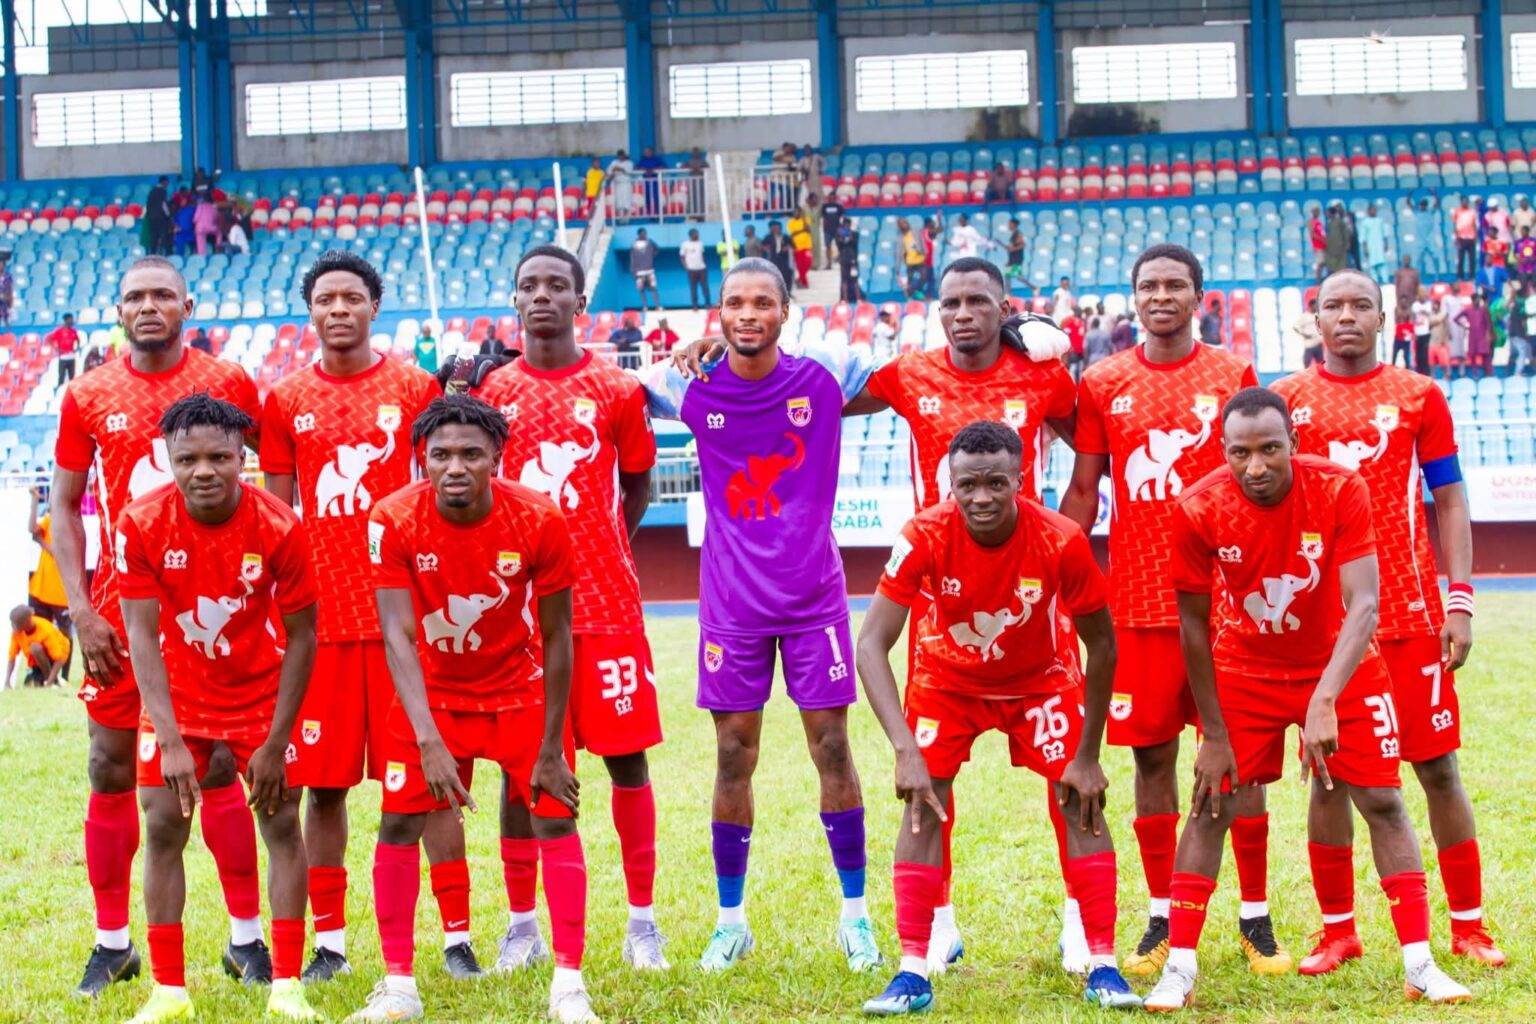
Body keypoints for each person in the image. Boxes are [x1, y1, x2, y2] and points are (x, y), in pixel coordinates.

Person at [1141, 385, 1472, 1011]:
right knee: (1212, 804)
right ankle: (1178, 968)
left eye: (1270, 449)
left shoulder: (1341, 487)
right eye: (1240, 453)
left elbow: (1365, 604)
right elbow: (1192, 625)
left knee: (1383, 800)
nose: (1256, 467)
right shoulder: (1198, 506)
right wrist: (1214, 733)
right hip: (1244, 669)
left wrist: (1324, 698)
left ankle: (1420, 964)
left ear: (1293, 442)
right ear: (1223, 451)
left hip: (1339, 665)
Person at [641, 258, 881, 974]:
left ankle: (856, 918)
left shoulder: (824, 377)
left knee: (832, 749)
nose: (748, 313)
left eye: (762, 302)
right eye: (735, 303)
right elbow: (609, 392)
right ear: (718, 314)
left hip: (813, 601)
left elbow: (908, 380)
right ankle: (731, 923)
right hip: (732, 605)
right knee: (731, 754)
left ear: (785, 312)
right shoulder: (688, 384)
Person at [856, 421, 1141, 1015]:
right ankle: (913, 971)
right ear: (951, 484)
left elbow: (1103, 645)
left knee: (1079, 800)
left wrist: (1088, 755)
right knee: (923, 802)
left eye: (995, 483)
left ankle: (1103, 963)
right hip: (947, 681)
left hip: (1041, 681)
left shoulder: (1061, 539)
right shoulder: (923, 534)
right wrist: (905, 750)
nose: (981, 497)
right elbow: (871, 644)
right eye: (968, 485)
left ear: (1019, 480)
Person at [1057, 245, 1284, 979]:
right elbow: (1085, 489)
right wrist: (1060, 569)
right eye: (1148, 286)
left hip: (1230, 605)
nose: (1161, 296)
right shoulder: (1103, 381)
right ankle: (1160, 915)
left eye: (1175, 285)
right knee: (1151, 758)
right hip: (1140, 602)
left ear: (1198, 295)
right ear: (1133, 298)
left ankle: (1255, 916)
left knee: (1240, 760)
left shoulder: (1232, 373)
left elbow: (1259, 480)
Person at [1274, 268, 1505, 970]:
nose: (1346, 316)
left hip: (1408, 616)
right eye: (1333, 306)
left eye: (1360, 305)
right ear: (1315, 319)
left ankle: (1468, 925)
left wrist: (1458, 600)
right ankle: (1337, 931)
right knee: (1328, 774)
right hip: (1325, 626)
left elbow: (1450, 500)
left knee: (1438, 769)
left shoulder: (1418, 394)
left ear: (1385, 318)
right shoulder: (1288, 399)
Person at [52, 256, 268, 998]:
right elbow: (66, 506)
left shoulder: (229, 381)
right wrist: (81, 610)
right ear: (119, 310)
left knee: (218, 766)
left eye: (162, 296)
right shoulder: (87, 393)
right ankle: (113, 945)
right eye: (135, 297)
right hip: (120, 614)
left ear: (187, 305)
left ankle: (247, 939)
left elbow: (272, 479)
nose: (149, 307)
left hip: (212, 610)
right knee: (109, 766)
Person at [348, 394, 592, 1024]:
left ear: (497, 458)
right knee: (398, 824)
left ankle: (569, 985)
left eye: (470, 454)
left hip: (519, 689)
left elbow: (559, 635)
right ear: (421, 459)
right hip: (432, 696)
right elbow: (397, 633)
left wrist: (550, 746)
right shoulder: (391, 517)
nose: (454, 467)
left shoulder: (539, 518)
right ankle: (398, 986)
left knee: (554, 821)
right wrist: (427, 739)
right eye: (441, 455)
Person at [470, 246, 668, 973]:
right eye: (529, 286)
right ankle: (523, 926)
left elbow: (636, 486)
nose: (543, 296)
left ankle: (642, 923)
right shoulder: (493, 390)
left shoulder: (617, 387)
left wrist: (599, 548)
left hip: (605, 606)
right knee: (519, 768)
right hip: (518, 617)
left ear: (581, 302)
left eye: (558, 286)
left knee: (626, 760)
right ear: (514, 300)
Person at [260, 250, 445, 983]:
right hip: (323, 625)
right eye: (325, 299)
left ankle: (456, 938)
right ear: (311, 312)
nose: (338, 309)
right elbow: (277, 516)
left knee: (428, 783)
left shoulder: (415, 387)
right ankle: (331, 946)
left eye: (351, 297)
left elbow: (437, 493)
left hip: (404, 619)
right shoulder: (285, 398)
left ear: (375, 306)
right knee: (324, 788)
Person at [116, 394, 320, 1024]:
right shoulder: (140, 523)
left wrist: (275, 741)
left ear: (240, 458)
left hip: (261, 695)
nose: (203, 471)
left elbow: (304, 637)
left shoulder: (280, 525)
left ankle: (287, 984)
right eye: (187, 460)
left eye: (218, 458)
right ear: (168, 460)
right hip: (177, 697)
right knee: (162, 825)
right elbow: (141, 635)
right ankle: (169, 990)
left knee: (281, 824)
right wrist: (170, 739)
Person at [28, 485, 72, 672]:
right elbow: (32, 530)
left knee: (65, 632)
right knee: (41, 631)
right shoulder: (49, 519)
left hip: (62, 590)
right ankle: (42, 673)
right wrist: (34, 501)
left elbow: (64, 553)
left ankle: (64, 674)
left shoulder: (71, 521)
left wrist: (43, 543)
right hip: (42, 587)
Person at [7, 604, 70, 687]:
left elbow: (59, 659)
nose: (14, 627)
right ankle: (47, 678)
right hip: (37, 660)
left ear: (27, 621)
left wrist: (49, 683)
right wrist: (7, 682)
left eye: (17, 624)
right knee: (32, 685)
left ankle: (52, 681)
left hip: (57, 655)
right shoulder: (17, 632)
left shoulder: (45, 629)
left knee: (35, 648)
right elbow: (12, 657)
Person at [1456, 292, 1494, 379]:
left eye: (1479, 300)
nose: (1478, 301)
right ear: (1473, 300)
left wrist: (1488, 334)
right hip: (1473, 336)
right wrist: (1464, 326)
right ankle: (1476, 374)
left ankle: (1488, 374)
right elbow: (1456, 318)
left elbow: (1488, 323)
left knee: (1486, 355)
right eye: (1476, 299)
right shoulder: (1468, 310)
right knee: (1473, 355)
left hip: (1482, 336)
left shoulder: (1483, 310)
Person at [629, 229, 661, 312]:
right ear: (639, 235)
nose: (645, 235)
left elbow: (657, 249)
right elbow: (632, 259)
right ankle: (645, 306)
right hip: (639, 272)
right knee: (641, 290)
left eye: (645, 234)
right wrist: (633, 271)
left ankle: (657, 306)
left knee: (654, 288)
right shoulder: (633, 245)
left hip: (650, 271)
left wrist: (651, 256)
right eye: (643, 234)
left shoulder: (649, 243)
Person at [1358, 203, 1390, 282]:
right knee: (1372, 266)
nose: (1374, 211)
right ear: (1368, 211)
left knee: (1382, 264)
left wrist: (1386, 244)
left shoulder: (1380, 220)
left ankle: (1385, 281)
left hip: (1380, 246)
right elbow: (1363, 237)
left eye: (1375, 210)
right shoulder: (1365, 222)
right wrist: (1365, 248)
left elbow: (1385, 233)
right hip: (1370, 247)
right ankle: (1375, 282)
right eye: (1372, 210)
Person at [899, 219, 929, 300]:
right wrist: (901, 263)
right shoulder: (901, 237)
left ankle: (917, 291)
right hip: (909, 262)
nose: (904, 225)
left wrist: (925, 252)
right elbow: (901, 252)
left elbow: (922, 243)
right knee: (909, 279)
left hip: (920, 260)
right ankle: (909, 297)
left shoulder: (915, 233)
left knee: (924, 277)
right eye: (902, 224)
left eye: (905, 223)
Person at [681, 228, 710, 310]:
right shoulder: (685, 244)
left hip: (702, 268)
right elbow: (682, 257)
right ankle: (695, 305)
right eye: (696, 234)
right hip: (691, 269)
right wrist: (686, 267)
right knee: (693, 288)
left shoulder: (700, 243)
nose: (698, 235)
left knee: (705, 287)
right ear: (691, 235)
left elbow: (702, 255)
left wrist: (704, 264)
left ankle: (708, 304)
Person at [49, 312, 81, 387]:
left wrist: (76, 348)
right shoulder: (59, 331)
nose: (72, 321)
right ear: (66, 320)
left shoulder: (73, 331)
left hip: (71, 357)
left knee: (72, 378)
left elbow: (78, 340)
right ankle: (60, 390)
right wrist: (57, 349)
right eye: (71, 319)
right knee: (61, 377)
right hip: (63, 357)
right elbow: (50, 340)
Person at [764, 221, 795, 297]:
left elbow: (793, 246)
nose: (776, 230)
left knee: (787, 276)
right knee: (774, 277)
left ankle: (788, 292)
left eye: (777, 228)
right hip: (773, 260)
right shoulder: (768, 237)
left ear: (780, 228)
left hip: (785, 260)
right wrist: (767, 249)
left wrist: (787, 247)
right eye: (774, 228)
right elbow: (763, 246)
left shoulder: (785, 237)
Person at [787, 208, 814, 287]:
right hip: (797, 247)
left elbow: (808, 230)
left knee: (808, 263)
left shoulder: (806, 219)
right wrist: (803, 229)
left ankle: (799, 279)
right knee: (800, 266)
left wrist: (804, 220)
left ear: (801, 213)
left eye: (797, 212)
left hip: (807, 246)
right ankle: (804, 283)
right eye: (794, 212)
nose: (796, 213)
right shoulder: (791, 222)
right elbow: (793, 234)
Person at [1454, 197, 1479, 280]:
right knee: (1461, 259)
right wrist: (1456, 237)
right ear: (1461, 202)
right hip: (1461, 238)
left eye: (1466, 202)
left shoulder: (1472, 211)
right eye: (1463, 201)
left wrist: (1476, 236)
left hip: (1471, 238)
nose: (1465, 203)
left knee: (1472, 259)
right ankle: (1460, 277)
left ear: (1468, 202)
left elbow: (1474, 224)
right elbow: (1455, 224)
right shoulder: (1457, 211)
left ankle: (1471, 277)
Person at [636, 147, 665, 218]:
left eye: (648, 152)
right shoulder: (642, 160)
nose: (646, 153)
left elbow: (664, 167)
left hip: (655, 182)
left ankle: (658, 214)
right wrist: (643, 169)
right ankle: (650, 215)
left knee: (656, 198)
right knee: (647, 199)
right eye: (645, 152)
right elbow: (636, 168)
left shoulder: (657, 159)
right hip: (646, 182)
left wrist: (653, 170)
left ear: (652, 152)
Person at [838, 222, 862, 304]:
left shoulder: (855, 234)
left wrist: (850, 236)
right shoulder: (840, 235)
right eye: (844, 226)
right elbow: (839, 245)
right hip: (844, 260)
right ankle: (845, 299)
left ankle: (858, 298)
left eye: (847, 226)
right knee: (844, 280)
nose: (846, 227)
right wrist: (841, 236)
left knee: (855, 280)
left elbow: (855, 244)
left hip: (853, 260)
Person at [606, 150, 634, 220]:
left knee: (626, 201)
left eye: (622, 155)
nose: (621, 157)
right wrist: (614, 170)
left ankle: (627, 218)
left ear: (624, 155)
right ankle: (621, 218)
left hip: (626, 184)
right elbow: (609, 171)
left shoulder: (629, 163)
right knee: (619, 202)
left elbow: (629, 172)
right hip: (617, 184)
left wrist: (619, 169)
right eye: (619, 155)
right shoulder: (614, 162)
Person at [1324, 205, 1351, 276]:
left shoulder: (1340, 222)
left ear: (1331, 213)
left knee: (1342, 263)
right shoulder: (1329, 224)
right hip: (1331, 247)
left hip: (1340, 246)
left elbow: (1345, 233)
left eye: (1328, 213)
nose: (1327, 214)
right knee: (1331, 264)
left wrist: (1347, 243)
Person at [821, 194, 846, 270]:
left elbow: (843, 217)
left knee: (840, 246)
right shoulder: (825, 206)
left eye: (833, 198)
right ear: (828, 198)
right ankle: (829, 264)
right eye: (830, 198)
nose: (831, 199)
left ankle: (842, 262)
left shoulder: (839, 206)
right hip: (827, 230)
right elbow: (823, 217)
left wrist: (841, 228)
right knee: (828, 247)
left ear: (835, 198)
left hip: (837, 230)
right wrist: (824, 227)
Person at [1295, 300, 1323, 367]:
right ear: (1310, 306)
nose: (1316, 307)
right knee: (1307, 362)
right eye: (1314, 306)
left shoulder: (1318, 315)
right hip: (1309, 344)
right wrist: (1305, 335)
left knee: (1321, 363)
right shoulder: (1304, 316)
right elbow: (1296, 327)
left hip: (1318, 344)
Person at [1393, 257, 1421, 322]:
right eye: (1405, 260)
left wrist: (1417, 296)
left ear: (1410, 261)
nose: (1406, 261)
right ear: (1403, 261)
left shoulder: (1414, 272)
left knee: (1411, 314)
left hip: (1412, 297)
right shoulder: (1399, 272)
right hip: (1401, 297)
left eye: (1408, 260)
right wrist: (1398, 298)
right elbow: (1396, 285)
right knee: (1401, 315)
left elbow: (1418, 285)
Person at [684, 148, 709, 220]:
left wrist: (699, 168)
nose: (695, 153)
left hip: (700, 181)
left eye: (697, 152)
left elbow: (708, 167)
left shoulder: (702, 161)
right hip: (692, 182)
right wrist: (691, 168)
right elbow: (682, 166)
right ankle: (693, 213)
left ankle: (701, 214)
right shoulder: (690, 161)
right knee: (692, 197)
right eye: (694, 152)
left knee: (700, 197)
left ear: (699, 153)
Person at [1513, 225, 1536, 289]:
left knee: (1535, 284)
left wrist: (1534, 259)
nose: (1522, 233)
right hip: (1522, 267)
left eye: (1523, 232)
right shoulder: (1518, 242)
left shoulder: (1534, 241)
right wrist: (1520, 260)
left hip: (1534, 266)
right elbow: (1515, 254)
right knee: (1523, 285)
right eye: (1521, 232)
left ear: (1527, 232)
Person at [1309, 205, 1327, 283]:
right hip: (1318, 245)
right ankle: (1317, 280)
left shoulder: (1319, 222)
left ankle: (1320, 278)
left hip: (1323, 246)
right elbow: (1312, 234)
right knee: (1320, 263)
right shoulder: (1311, 221)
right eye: (1315, 211)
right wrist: (1322, 240)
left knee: (1323, 263)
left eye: (1317, 211)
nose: (1316, 212)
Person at [0, 253, 14, 327]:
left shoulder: (8, 276)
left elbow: (10, 288)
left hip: (5, 299)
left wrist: (9, 298)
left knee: (6, 316)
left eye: (1, 264)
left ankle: (8, 331)